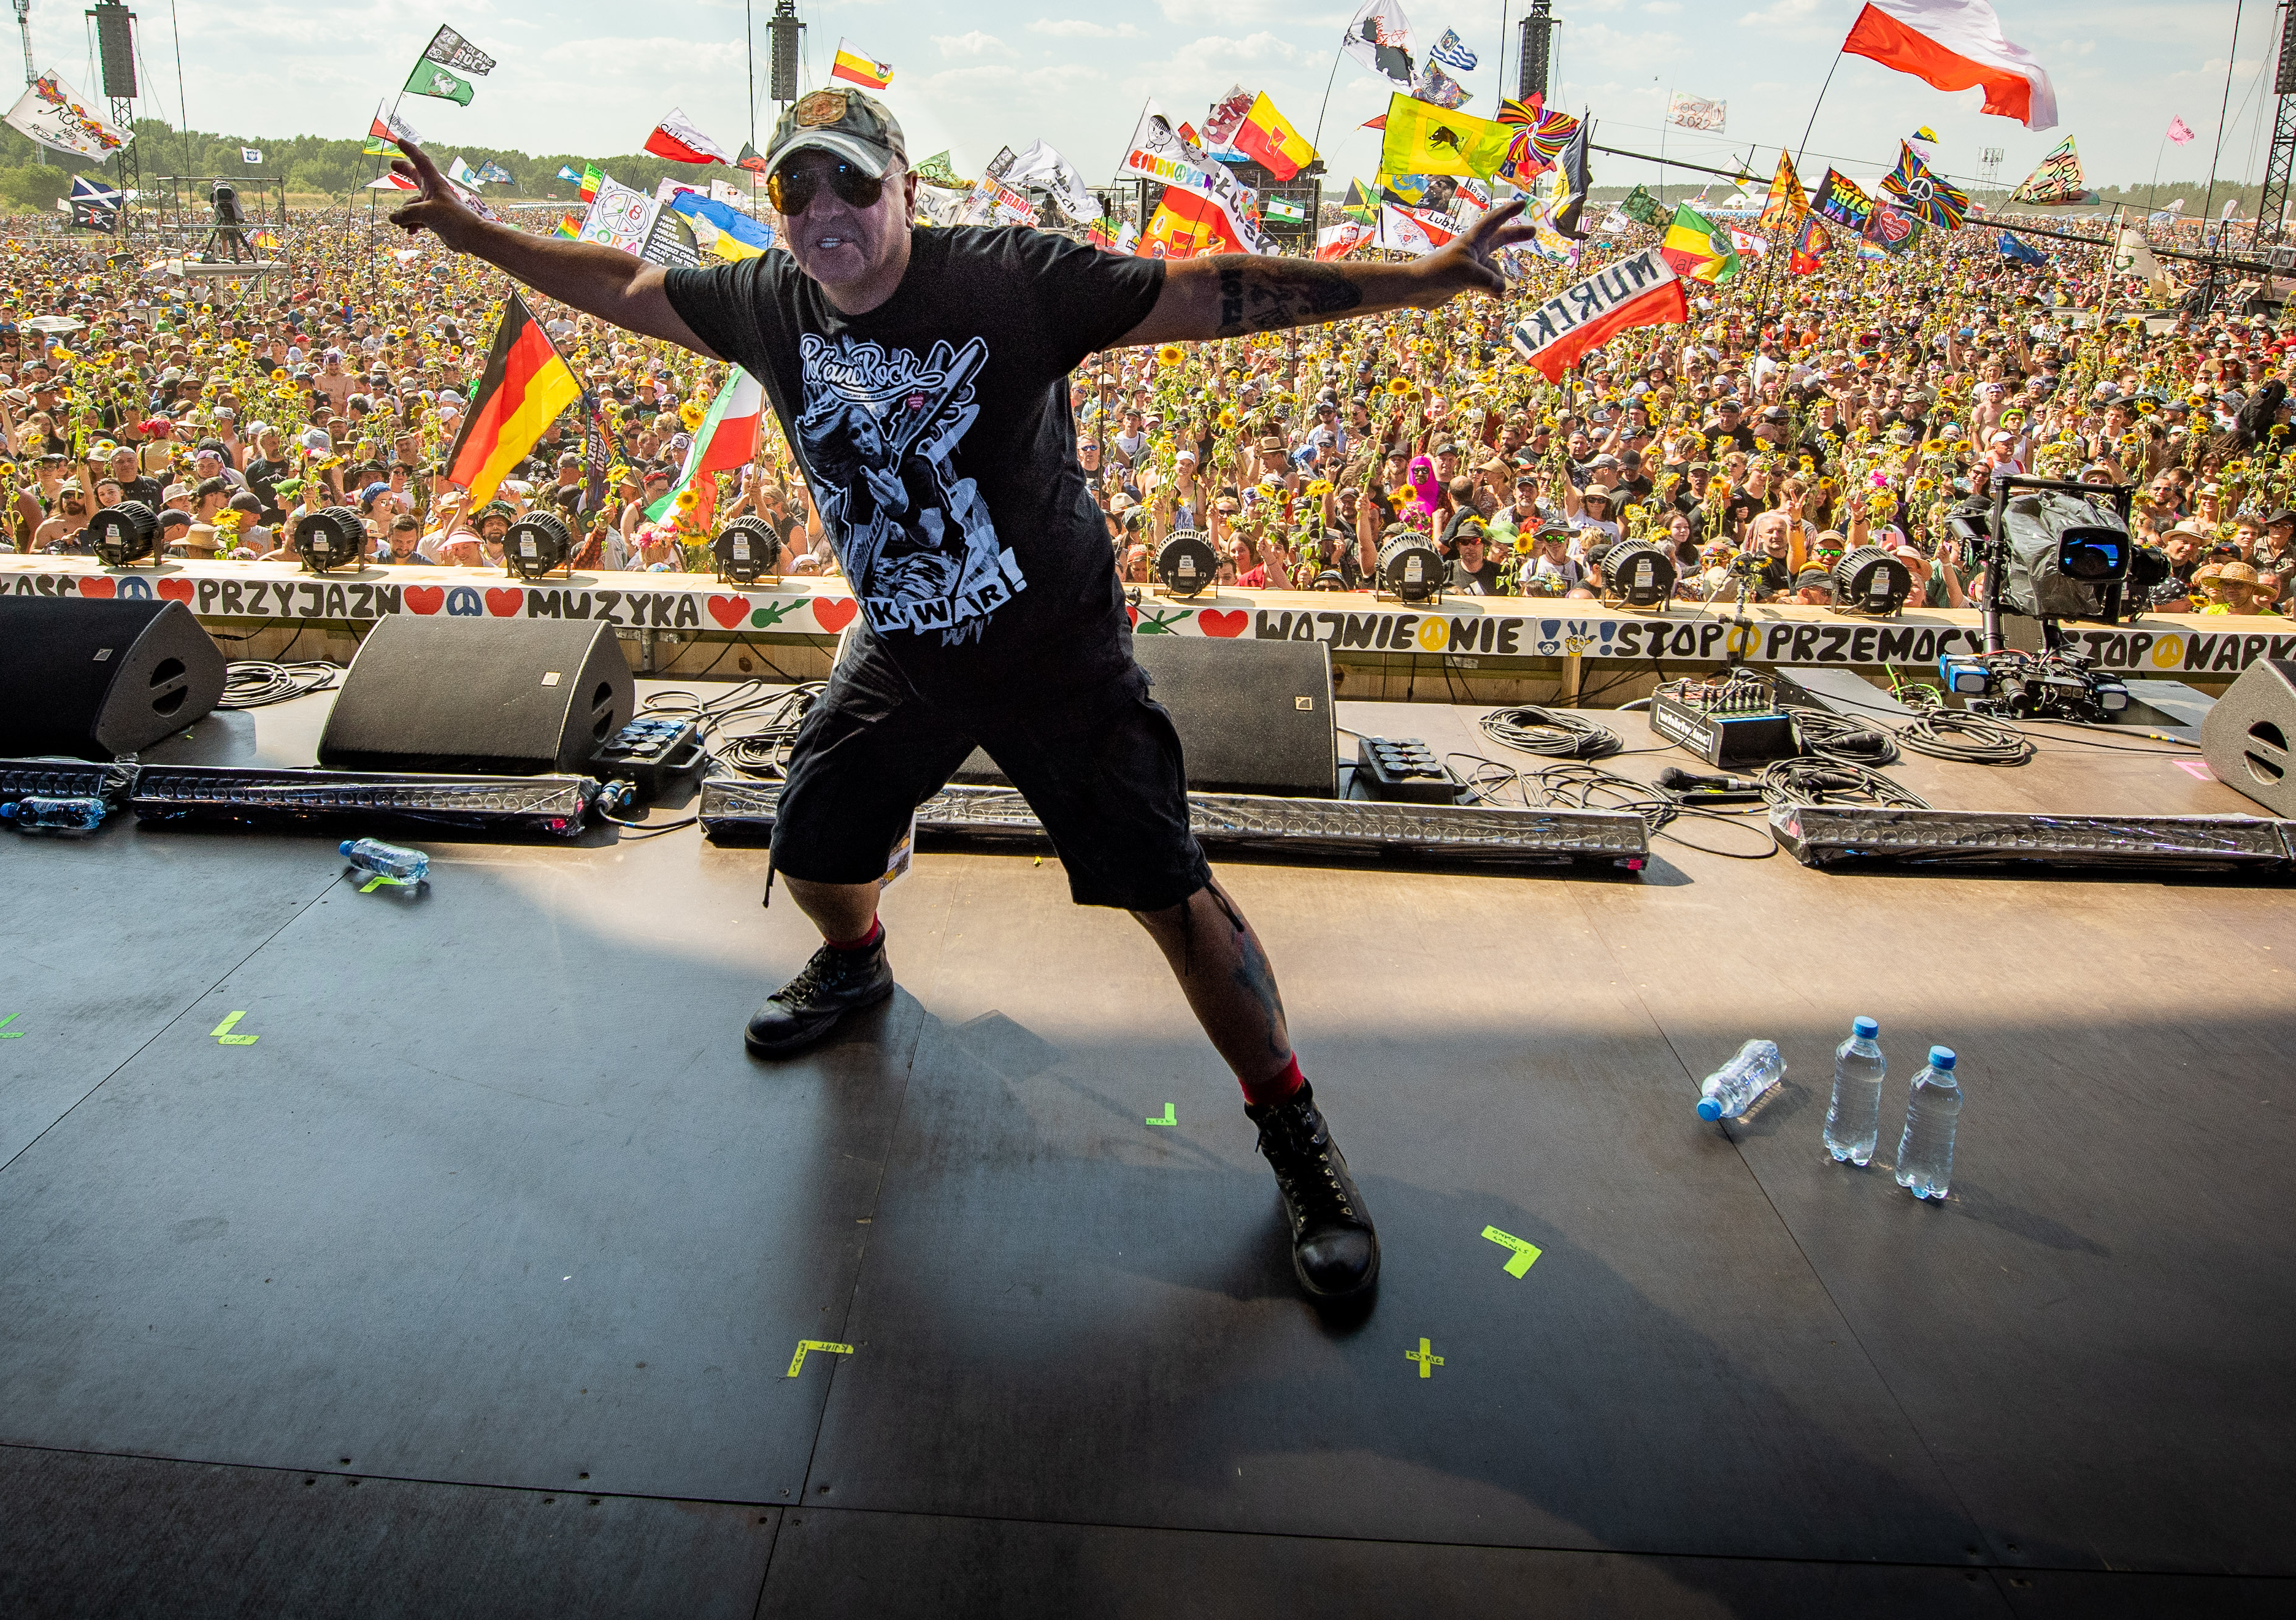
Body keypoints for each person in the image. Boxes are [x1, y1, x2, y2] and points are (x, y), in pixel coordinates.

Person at [387, 93, 1534, 1307]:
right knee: (817, 845)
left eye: (852, 186)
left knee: (1168, 889)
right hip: (908, 647)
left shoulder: (1009, 280)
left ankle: (1293, 1124)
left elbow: (1205, 290)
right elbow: (624, 280)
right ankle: (858, 959)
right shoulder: (767, 301)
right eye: (798, 192)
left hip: (1057, 653)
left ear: (906, 191)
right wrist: (475, 233)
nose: (825, 213)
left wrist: (1422, 280)